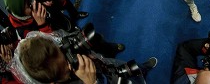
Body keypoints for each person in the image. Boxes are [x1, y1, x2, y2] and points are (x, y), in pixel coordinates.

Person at [2, 0, 125, 58]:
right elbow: (48, 53)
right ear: (20, 11)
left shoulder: (34, 0)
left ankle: (110, 49)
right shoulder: (23, 34)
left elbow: (62, 4)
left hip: (69, 28)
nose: (32, 2)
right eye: (27, 4)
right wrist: (42, 26)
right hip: (65, 50)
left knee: (94, 39)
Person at [10, 31, 157, 84]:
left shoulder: (58, 47)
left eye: (65, 58)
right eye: (64, 71)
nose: (70, 66)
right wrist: (91, 82)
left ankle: (143, 68)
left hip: (106, 66)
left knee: (128, 68)